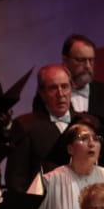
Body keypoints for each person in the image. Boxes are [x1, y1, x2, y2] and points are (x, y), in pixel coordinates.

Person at [5, 65, 75, 195]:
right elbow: (16, 178)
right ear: (42, 93)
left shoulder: (85, 123)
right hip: (43, 206)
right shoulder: (26, 125)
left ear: (71, 88)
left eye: (65, 86)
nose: (60, 94)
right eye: (53, 88)